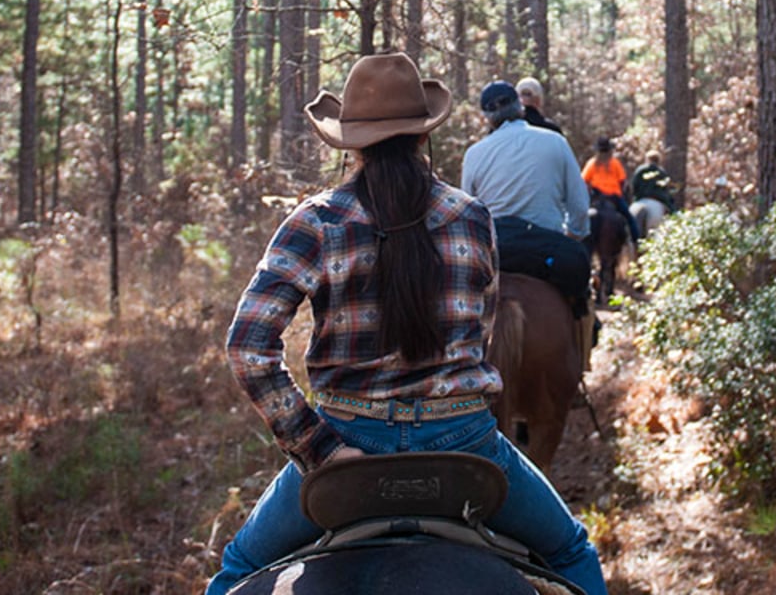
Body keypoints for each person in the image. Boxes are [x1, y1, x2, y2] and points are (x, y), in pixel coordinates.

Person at [209, 54, 607, 595]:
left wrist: (317, 448)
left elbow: (247, 347)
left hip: (348, 437)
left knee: (236, 570)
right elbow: (480, 336)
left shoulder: (316, 221)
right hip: (463, 440)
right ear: (423, 137)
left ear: (350, 143)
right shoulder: (471, 217)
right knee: (571, 552)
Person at [461, 81, 593, 314]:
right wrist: (575, 235)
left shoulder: (474, 154)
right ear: (519, 106)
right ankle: (584, 336)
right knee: (580, 304)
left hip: (496, 251)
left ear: (487, 118)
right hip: (546, 248)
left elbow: (468, 215)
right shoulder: (555, 141)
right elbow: (580, 206)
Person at [581, 137, 642, 245]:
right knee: (630, 219)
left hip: (596, 196)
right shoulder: (615, 163)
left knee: (580, 216)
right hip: (614, 197)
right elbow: (622, 181)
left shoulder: (592, 163)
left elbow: (584, 180)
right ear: (610, 150)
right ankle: (637, 242)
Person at [629, 149, 678, 214]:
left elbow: (634, 185)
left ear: (647, 159)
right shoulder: (662, 172)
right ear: (658, 160)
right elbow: (666, 188)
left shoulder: (640, 170)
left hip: (641, 197)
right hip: (659, 198)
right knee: (673, 211)